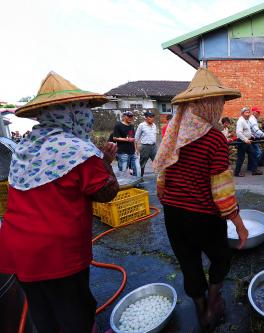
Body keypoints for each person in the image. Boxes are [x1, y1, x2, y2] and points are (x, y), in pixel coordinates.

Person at [0, 72, 119, 333]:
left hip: (17, 249)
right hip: (57, 254)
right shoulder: (78, 150)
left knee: (44, 316)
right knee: (75, 314)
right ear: (72, 113)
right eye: (84, 109)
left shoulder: (25, 144)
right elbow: (106, 192)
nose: (88, 115)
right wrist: (106, 164)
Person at [152, 68, 248, 331]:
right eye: (218, 102)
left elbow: (163, 174)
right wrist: (239, 225)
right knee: (221, 258)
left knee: (189, 262)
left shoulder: (174, 132)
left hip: (173, 213)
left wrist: (166, 197)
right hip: (203, 216)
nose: (219, 107)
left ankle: (200, 307)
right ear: (209, 104)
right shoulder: (215, 138)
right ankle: (214, 298)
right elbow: (222, 192)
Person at [234, 107, 262, 177]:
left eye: (248, 112)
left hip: (247, 141)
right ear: (242, 114)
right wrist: (246, 140)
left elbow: (247, 130)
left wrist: (251, 135)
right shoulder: (241, 121)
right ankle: (237, 173)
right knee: (241, 157)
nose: (248, 114)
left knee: (253, 154)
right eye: (246, 113)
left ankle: (254, 170)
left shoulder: (246, 120)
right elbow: (239, 133)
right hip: (242, 142)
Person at [113, 110, 138, 176]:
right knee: (123, 171)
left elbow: (133, 139)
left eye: (131, 116)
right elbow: (115, 138)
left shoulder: (131, 126)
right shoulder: (118, 125)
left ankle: (135, 184)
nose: (130, 118)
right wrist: (127, 140)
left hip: (132, 152)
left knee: (136, 170)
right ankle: (123, 185)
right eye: (129, 116)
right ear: (124, 117)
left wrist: (136, 150)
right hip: (123, 152)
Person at [135, 111, 158, 177]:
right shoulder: (141, 125)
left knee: (157, 161)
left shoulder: (154, 125)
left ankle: (159, 177)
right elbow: (136, 138)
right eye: (150, 117)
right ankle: (140, 177)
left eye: (153, 117)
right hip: (145, 147)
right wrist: (136, 149)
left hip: (153, 146)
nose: (152, 118)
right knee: (142, 163)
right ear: (146, 118)